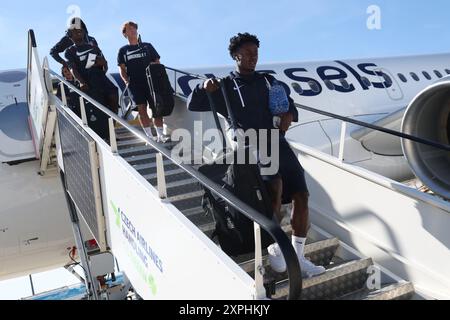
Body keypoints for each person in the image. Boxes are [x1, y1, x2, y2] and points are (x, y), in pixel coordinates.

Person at [188, 33, 326, 278]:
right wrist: (202, 87)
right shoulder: (226, 86)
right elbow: (193, 104)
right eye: (248, 53)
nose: (254, 57)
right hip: (252, 145)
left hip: (278, 143)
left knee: (302, 196)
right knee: (275, 187)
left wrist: (288, 116)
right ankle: (275, 242)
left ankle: (298, 256)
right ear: (235, 56)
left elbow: (290, 107)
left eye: (256, 52)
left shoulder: (269, 82)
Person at [65, 23, 119, 141]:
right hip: (87, 81)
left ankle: (113, 125)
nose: (78, 32)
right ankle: (106, 136)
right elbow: (72, 69)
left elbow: (105, 66)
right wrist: (81, 82)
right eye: (75, 31)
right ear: (70, 35)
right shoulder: (70, 51)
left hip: (100, 77)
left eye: (80, 30)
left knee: (114, 94)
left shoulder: (94, 47)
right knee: (98, 108)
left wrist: (102, 64)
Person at [117, 21, 168, 143]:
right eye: (130, 29)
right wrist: (126, 80)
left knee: (157, 108)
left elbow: (157, 62)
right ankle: (150, 136)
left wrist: (153, 66)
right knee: (141, 108)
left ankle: (160, 134)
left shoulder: (147, 46)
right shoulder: (123, 50)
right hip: (135, 83)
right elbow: (122, 68)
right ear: (125, 33)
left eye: (134, 28)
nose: (133, 30)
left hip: (151, 82)